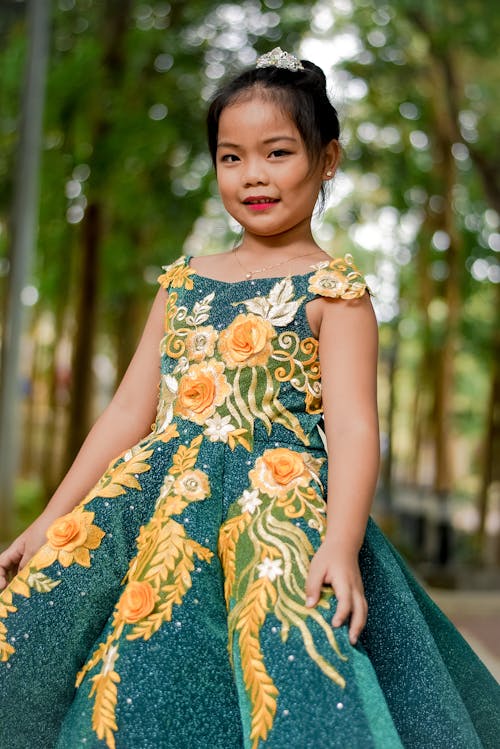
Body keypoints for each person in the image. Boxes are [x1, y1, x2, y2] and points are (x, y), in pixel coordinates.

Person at [0, 47, 498, 749]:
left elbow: (355, 427)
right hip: (155, 516)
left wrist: (342, 542)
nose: (252, 175)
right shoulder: (182, 282)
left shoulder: (335, 293)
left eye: (277, 153)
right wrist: (51, 519)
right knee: (114, 672)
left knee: (285, 683)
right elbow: (125, 412)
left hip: (277, 530)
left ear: (328, 159)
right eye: (231, 158)